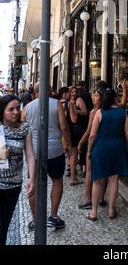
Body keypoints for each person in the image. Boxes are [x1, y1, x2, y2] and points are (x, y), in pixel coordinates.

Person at [23, 82, 72, 230]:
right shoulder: (56, 104)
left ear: (35, 93)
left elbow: (22, 128)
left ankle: (36, 220)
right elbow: (63, 126)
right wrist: (69, 144)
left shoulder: (27, 108)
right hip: (54, 150)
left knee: (33, 183)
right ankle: (53, 216)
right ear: (50, 91)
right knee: (57, 181)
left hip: (34, 151)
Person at [87, 81, 128, 221]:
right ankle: (111, 210)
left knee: (98, 180)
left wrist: (89, 150)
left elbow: (92, 135)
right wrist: (126, 146)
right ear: (115, 99)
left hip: (101, 147)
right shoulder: (122, 112)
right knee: (113, 180)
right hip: (118, 146)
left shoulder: (100, 112)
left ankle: (93, 212)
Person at [0, 95, 35, 245]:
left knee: (4, 223)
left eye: (17, 108)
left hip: (13, 185)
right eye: (11, 109)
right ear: (2, 111)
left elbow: (30, 154)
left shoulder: (24, 128)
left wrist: (31, 178)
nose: (15, 112)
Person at [77, 81, 108, 209]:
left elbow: (89, 132)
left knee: (89, 171)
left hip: (95, 144)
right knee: (105, 172)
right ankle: (101, 198)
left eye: (94, 94)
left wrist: (80, 143)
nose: (92, 97)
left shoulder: (94, 112)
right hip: (105, 144)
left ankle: (87, 198)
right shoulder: (109, 110)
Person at [67, 86, 87, 185]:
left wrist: (76, 111)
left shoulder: (79, 100)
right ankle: (71, 170)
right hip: (69, 129)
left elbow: (85, 112)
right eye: (72, 92)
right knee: (70, 151)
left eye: (75, 92)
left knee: (74, 151)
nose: (74, 93)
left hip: (76, 129)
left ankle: (73, 172)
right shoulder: (68, 101)